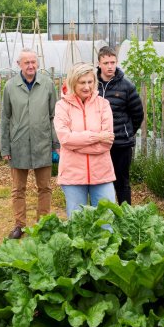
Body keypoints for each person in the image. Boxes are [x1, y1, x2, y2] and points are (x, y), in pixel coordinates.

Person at [0, 49, 60, 239]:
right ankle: (19, 225)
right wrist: (5, 147)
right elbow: (5, 118)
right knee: (18, 189)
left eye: (33, 62)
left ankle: (43, 225)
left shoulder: (47, 85)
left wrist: (55, 144)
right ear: (19, 64)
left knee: (45, 187)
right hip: (18, 145)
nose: (31, 66)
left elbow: (54, 117)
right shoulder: (10, 86)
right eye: (26, 63)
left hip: (42, 143)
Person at [54, 62, 116, 218]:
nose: (87, 87)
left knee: (106, 221)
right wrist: (97, 136)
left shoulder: (103, 104)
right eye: (82, 82)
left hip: (102, 173)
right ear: (73, 83)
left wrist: (76, 144)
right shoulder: (62, 106)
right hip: (72, 174)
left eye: (90, 82)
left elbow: (107, 142)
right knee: (77, 224)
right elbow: (65, 139)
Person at [96, 46, 144, 205]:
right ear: (99, 64)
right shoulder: (93, 84)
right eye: (106, 62)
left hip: (120, 143)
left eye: (113, 62)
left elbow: (137, 114)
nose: (110, 66)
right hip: (97, 143)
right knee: (100, 182)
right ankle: (104, 216)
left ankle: (125, 216)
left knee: (122, 182)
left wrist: (126, 132)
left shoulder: (126, 86)